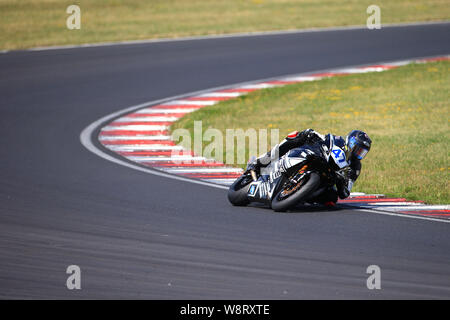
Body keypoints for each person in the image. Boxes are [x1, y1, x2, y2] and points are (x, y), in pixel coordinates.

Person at [247, 128, 372, 205]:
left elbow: (345, 193)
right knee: (296, 136)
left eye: (362, 152)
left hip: (326, 177)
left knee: (331, 199)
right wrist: (312, 134)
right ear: (351, 142)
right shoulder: (337, 140)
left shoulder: (355, 167)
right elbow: (323, 138)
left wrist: (343, 180)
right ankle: (261, 161)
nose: (358, 153)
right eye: (358, 149)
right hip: (313, 157)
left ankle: (299, 196)